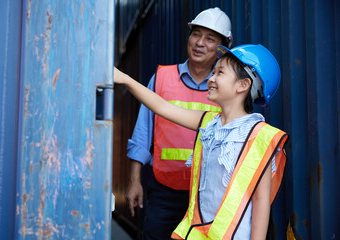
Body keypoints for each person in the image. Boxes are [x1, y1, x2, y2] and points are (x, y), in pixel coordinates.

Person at [114, 44, 289, 239]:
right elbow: (163, 107)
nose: (211, 79)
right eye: (213, 72)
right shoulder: (208, 124)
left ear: (243, 85)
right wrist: (125, 79)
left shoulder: (259, 137)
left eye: (219, 73)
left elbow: (261, 201)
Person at [125, 7, 232, 240]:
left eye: (210, 38)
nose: (200, 43)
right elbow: (142, 133)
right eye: (196, 34)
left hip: (209, 195)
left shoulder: (226, 87)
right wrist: (134, 181)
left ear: (222, 49)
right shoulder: (162, 78)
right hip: (164, 192)